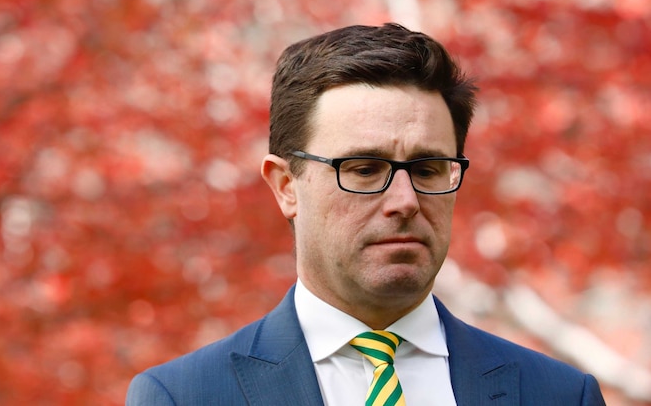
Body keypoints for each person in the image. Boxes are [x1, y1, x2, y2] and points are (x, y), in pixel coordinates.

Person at [126, 23, 606, 405]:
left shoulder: (559, 395)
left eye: (429, 168)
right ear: (286, 187)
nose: (405, 200)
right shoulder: (184, 397)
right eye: (363, 168)